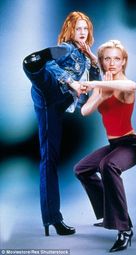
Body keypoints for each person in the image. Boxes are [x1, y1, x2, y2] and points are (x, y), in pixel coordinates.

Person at [22, 11, 100, 236]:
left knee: (51, 157)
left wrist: (93, 60)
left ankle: (51, 219)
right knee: (48, 158)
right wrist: (71, 82)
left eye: (86, 29)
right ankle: (32, 64)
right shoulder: (66, 48)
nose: (83, 33)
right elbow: (52, 66)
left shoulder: (85, 56)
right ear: (70, 31)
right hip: (49, 93)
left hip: (58, 103)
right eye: (79, 29)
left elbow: (96, 82)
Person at [74, 40, 136, 252]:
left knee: (108, 166)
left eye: (116, 58)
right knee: (82, 169)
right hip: (114, 145)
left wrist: (96, 85)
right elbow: (85, 111)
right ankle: (110, 213)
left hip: (130, 145)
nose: (111, 63)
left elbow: (131, 86)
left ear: (123, 62)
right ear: (102, 62)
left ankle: (124, 229)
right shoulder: (103, 87)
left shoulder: (123, 85)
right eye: (107, 58)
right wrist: (99, 95)